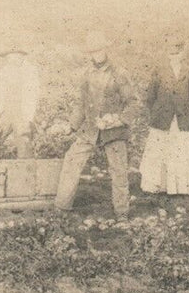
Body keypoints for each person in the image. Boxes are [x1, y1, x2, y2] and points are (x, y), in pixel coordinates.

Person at [54, 31, 136, 218]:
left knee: (119, 171)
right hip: (90, 130)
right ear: (89, 53)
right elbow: (81, 104)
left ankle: (122, 213)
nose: (96, 54)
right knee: (72, 161)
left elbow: (133, 103)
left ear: (106, 50)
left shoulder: (119, 74)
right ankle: (60, 209)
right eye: (92, 51)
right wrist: (72, 126)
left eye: (99, 50)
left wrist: (118, 120)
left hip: (113, 131)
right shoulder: (86, 74)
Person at [139, 40, 189, 196]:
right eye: (171, 53)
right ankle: (159, 184)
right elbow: (150, 97)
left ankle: (181, 187)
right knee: (159, 149)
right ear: (167, 55)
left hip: (180, 119)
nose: (174, 56)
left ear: (182, 54)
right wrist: (158, 112)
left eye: (177, 53)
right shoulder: (159, 72)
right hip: (162, 119)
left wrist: (180, 110)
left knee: (180, 149)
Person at [0, 45, 40, 158]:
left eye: (13, 56)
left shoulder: (30, 71)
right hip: (6, 113)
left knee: (23, 143)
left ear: (20, 56)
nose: (9, 60)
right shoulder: (5, 72)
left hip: (22, 114)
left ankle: (23, 172)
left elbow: (31, 98)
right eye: (8, 57)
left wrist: (28, 119)